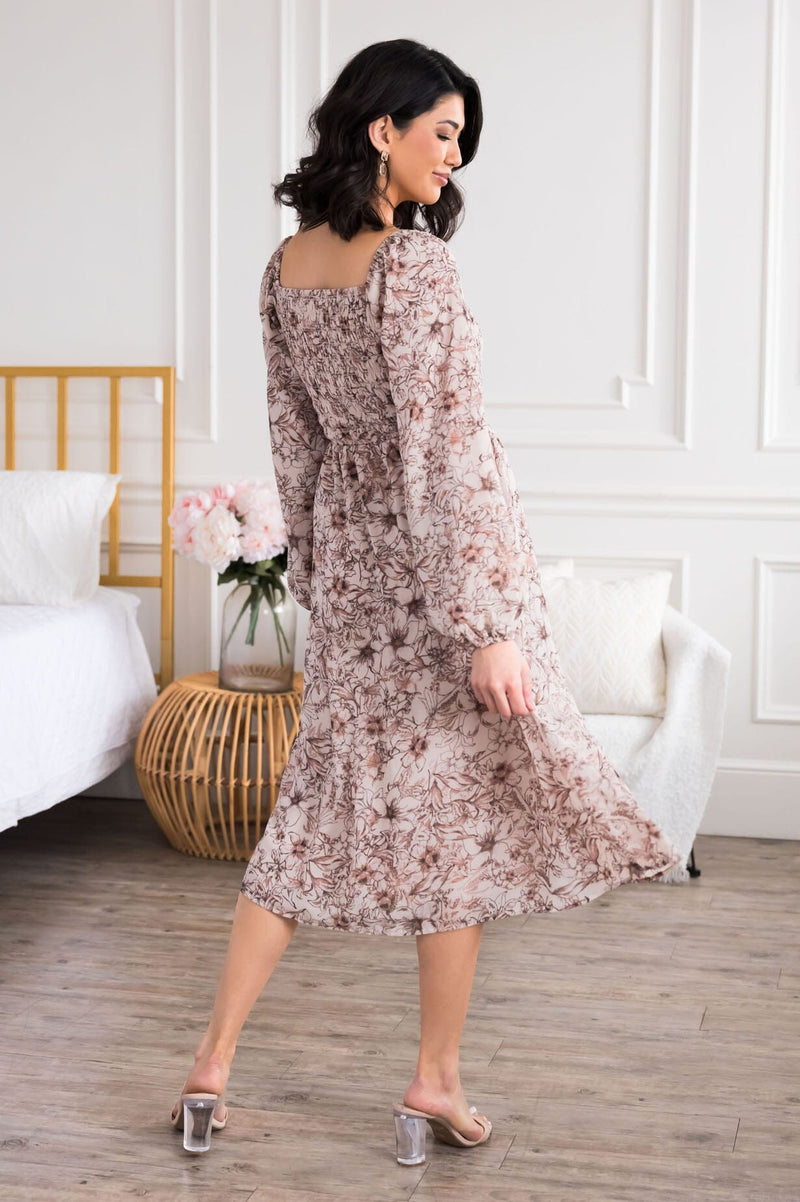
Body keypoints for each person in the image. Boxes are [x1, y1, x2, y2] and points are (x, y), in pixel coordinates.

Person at [170, 38, 682, 1162]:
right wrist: (487, 624)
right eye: (441, 133)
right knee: (456, 830)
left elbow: (297, 445)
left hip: (355, 585)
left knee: (306, 820)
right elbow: (445, 454)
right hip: (436, 586)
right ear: (381, 130)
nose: (454, 157)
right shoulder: (414, 267)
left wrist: (317, 571)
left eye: (460, 139)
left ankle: (210, 1063)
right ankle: (432, 1082)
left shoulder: (285, 267)